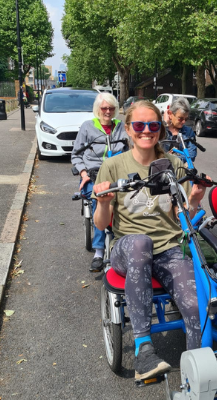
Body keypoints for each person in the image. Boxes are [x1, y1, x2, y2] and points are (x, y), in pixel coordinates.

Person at [92, 100, 205, 381]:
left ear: (160, 128)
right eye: (139, 125)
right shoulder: (112, 165)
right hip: (127, 247)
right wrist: (104, 203)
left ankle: (198, 375)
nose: (146, 131)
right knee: (141, 242)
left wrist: (192, 201)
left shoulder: (174, 164)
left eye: (153, 125)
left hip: (168, 247)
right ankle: (144, 349)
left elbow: (182, 215)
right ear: (128, 129)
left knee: (194, 306)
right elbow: (101, 224)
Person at [71, 93, 128, 272]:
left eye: (111, 108)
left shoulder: (121, 127)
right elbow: (76, 155)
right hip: (93, 174)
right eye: (104, 108)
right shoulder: (88, 127)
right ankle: (98, 250)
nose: (108, 111)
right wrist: (83, 172)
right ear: (98, 109)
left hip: (116, 174)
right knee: (99, 200)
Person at [160, 97, 198, 163]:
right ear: (170, 114)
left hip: (181, 168)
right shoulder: (160, 129)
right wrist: (165, 124)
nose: (183, 122)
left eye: (186, 119)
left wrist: (170, 159)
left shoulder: (188, 132)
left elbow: (191, 155)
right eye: (180, 118)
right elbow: (154, 151)